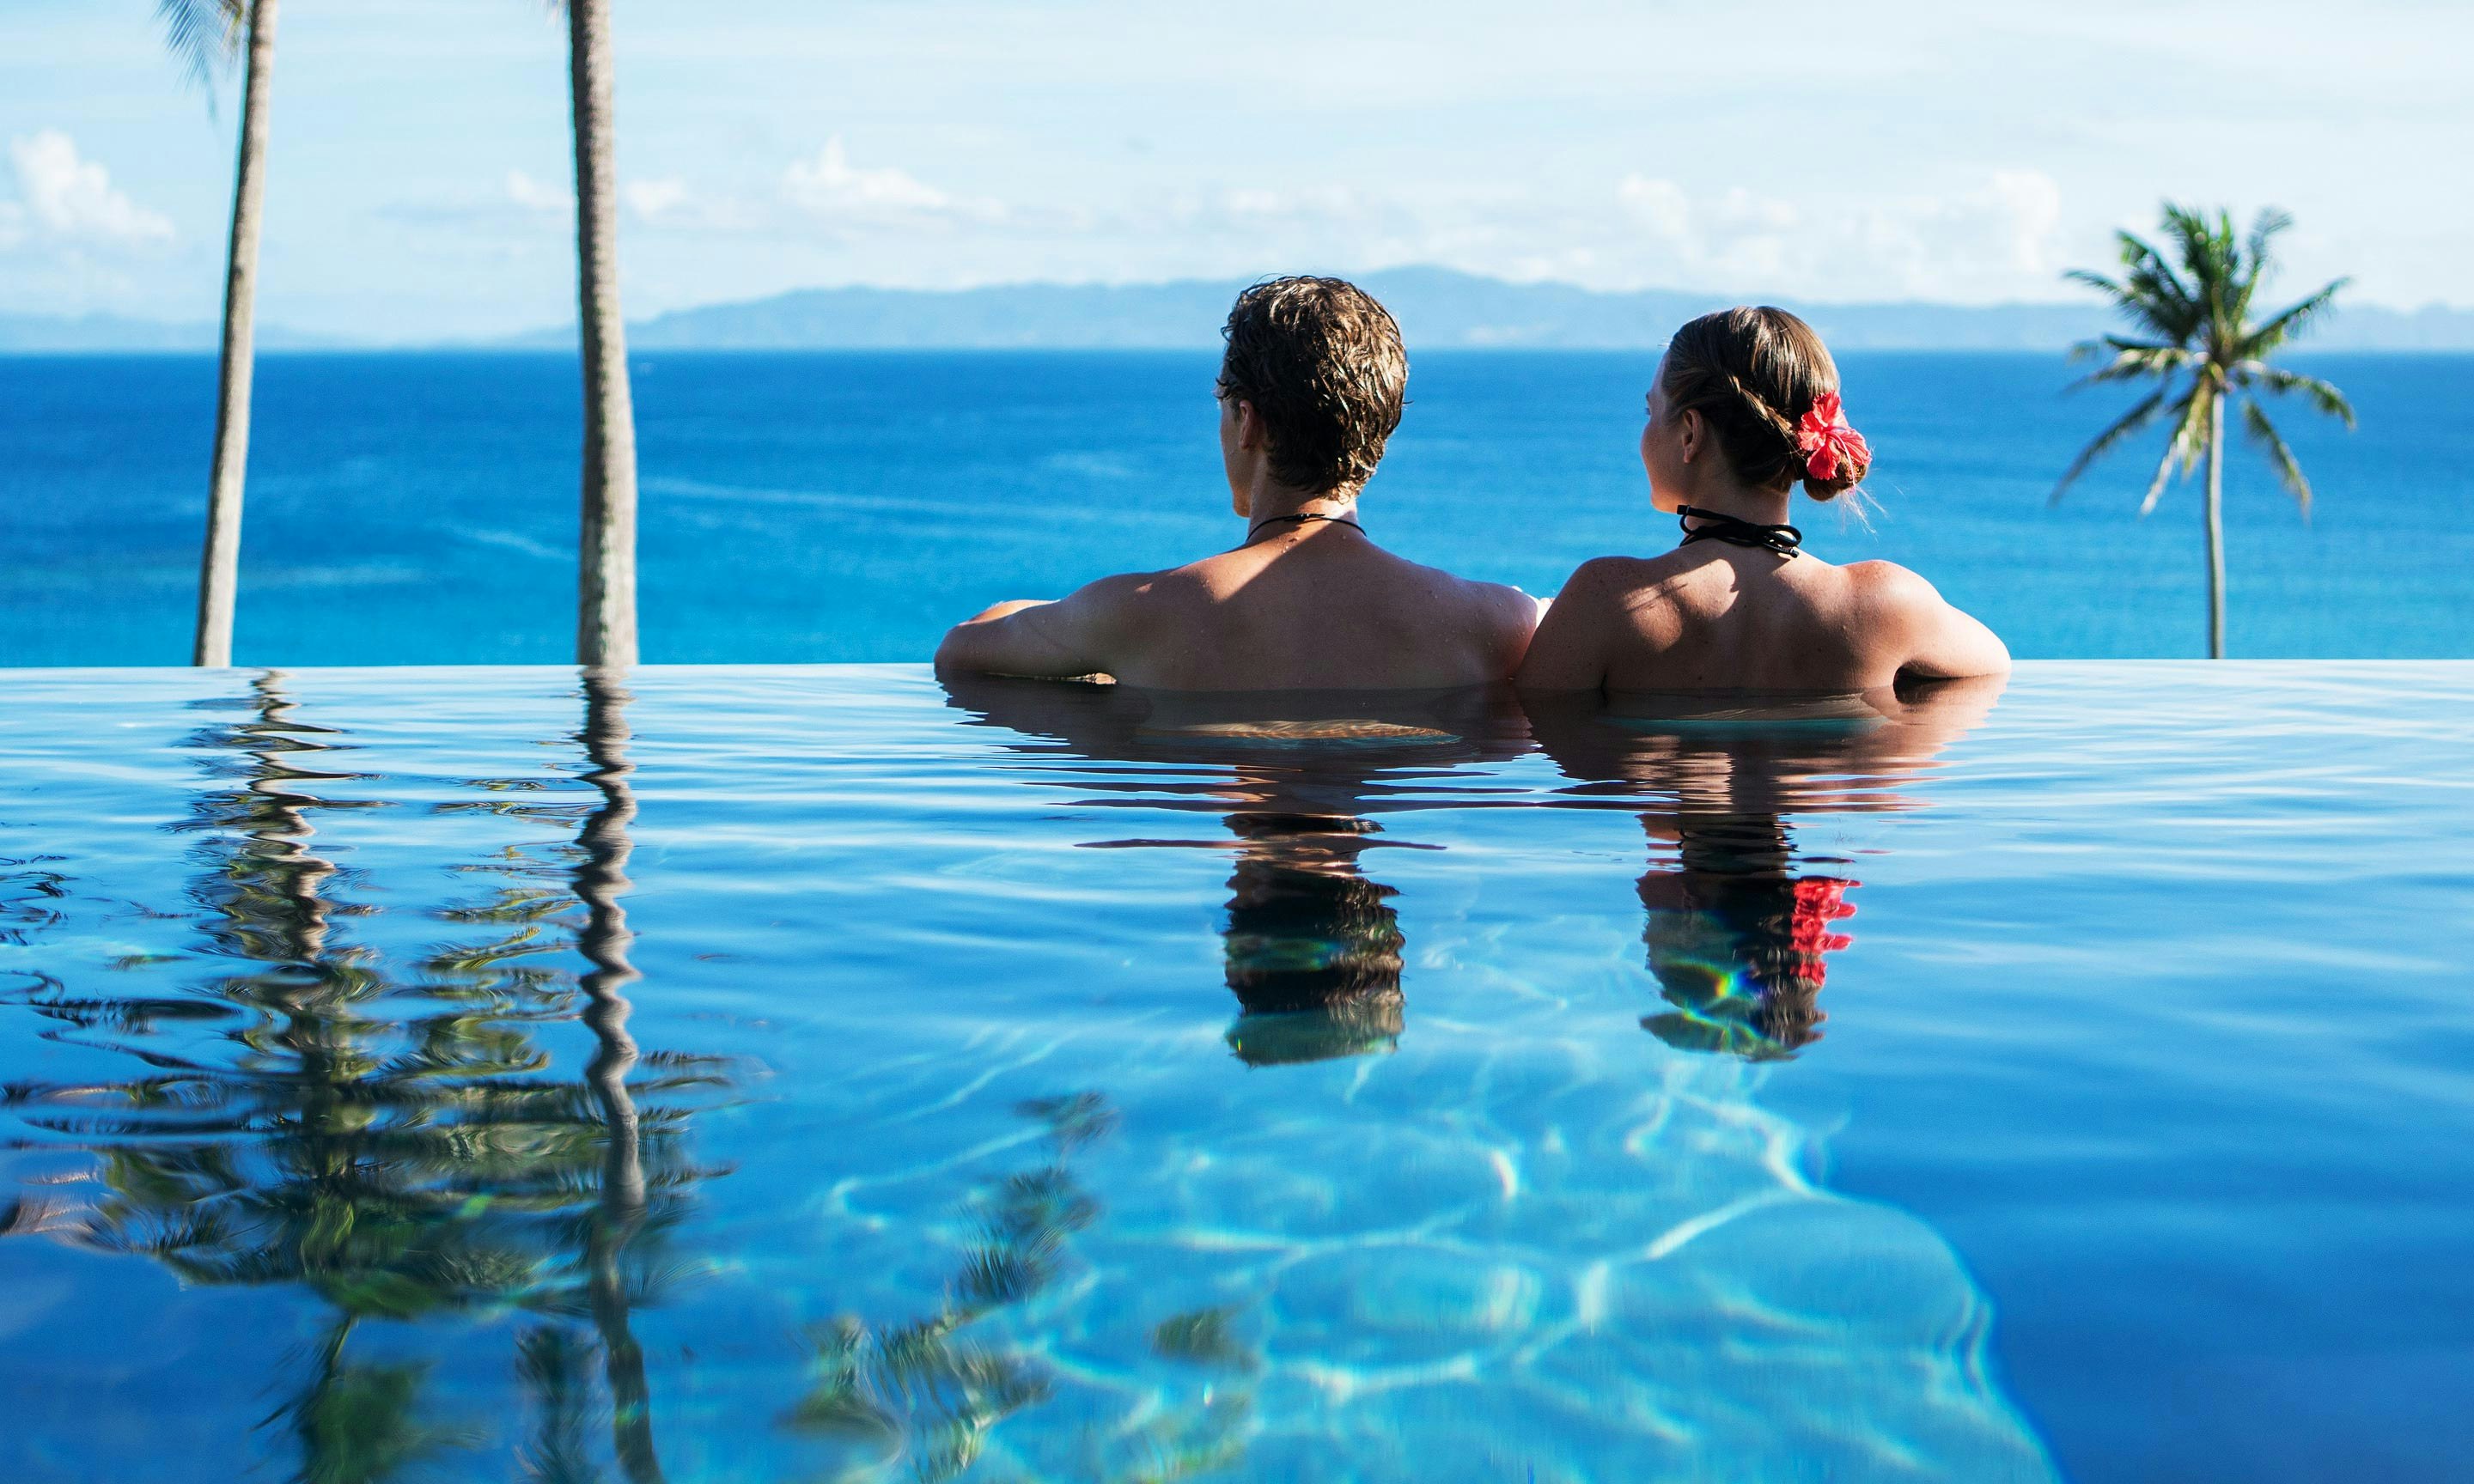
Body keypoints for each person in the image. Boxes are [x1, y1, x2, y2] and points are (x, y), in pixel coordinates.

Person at [935, 277, 1539, 690]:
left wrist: (1098, 663)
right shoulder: (1494, 620)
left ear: (1247, 421)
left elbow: (963, 650)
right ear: (1383, 426)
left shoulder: (1138, 614)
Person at [1516, 307, 2008, 695]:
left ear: (1690, 433)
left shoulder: (1606, 601)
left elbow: (1545, 749)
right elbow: (1993, 664)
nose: (1644, 433)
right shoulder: (1886, 605)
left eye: (1651, 412)